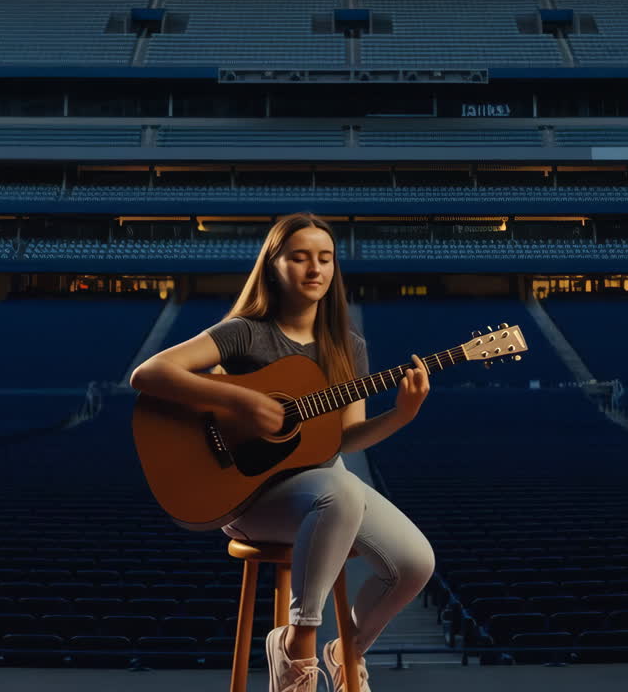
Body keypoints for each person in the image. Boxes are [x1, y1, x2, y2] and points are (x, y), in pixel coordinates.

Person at [129, 212, 434, 692]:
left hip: (321, 489)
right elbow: (147, 374)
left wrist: (403, 414)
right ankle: (298, 646)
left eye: (325, 258)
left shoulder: (348, 347)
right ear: (273, 266)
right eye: (299, 258)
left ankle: (346, 651)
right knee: (340, 493)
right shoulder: (245, 332)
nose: (315, 269)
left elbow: (344, 439)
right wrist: (241, 399)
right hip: (249, 497)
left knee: (415, 563)